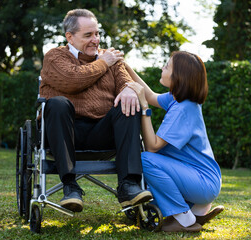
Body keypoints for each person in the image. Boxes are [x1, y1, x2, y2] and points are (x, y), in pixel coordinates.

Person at [39, 9, 152, 212]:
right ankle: (70, 186)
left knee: (128, 103)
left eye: (97, 34)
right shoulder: (55, 56)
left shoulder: (111, 59)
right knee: (56, 104)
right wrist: (103, 63)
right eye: (88, 35)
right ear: (70, 37)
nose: (95, 40)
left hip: (101, 132)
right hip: (64, 133)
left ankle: (129, 185)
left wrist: (128, 90)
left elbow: (125, 81)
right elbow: (73, 80)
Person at [125, 51, 224, 232]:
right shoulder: (177, 99)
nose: (162, 68)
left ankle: (184, 218)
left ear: (179, 76)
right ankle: (197, 212)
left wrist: (144, 109)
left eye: (167, 66)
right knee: (154, 200)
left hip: (202, 182)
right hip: (201, 178)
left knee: (146, 159)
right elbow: (151, 96)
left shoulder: (183, 109)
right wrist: (124, 65)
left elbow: (153, 147)